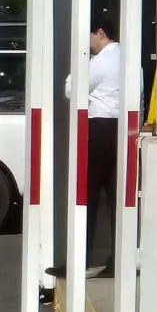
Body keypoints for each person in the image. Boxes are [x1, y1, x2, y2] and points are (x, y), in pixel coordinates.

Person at [53, 18, 125, 279]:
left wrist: (80, 65)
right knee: (118, 198)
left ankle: (79, 260)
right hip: (123, 128)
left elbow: (71, 89)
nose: (87, 44)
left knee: (87, 195)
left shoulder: (101, 62)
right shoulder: (130, 60)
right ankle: (118, 260)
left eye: (89, 37)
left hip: (99, 128)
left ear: (100, 33)